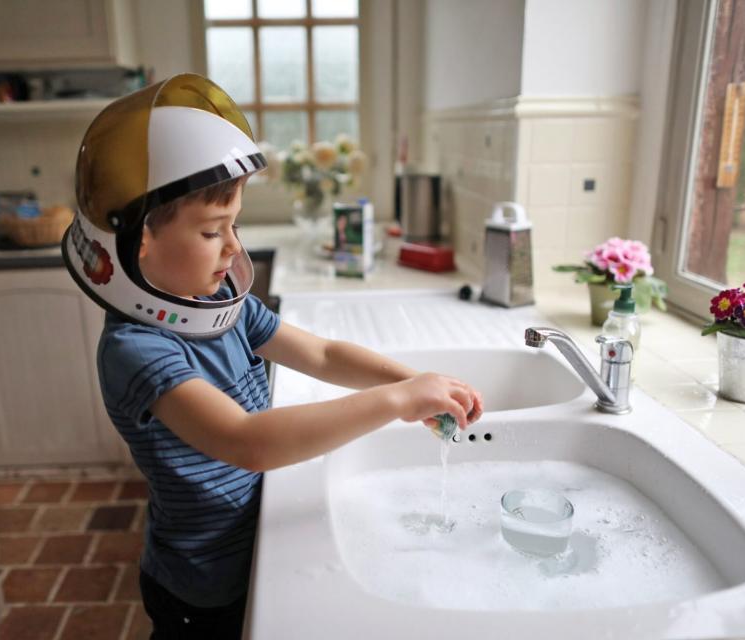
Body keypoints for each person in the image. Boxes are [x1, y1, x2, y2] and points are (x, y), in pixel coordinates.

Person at [62, 74, 483, 640]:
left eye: (233, 225)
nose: (234, 246)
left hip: (251, 546)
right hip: (201, 586)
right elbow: (247, 442)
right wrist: (397, 399)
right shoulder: (137, 350)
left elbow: (324, 352)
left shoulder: (217, 303)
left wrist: (418, 381)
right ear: (139, 242)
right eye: (214, 231)